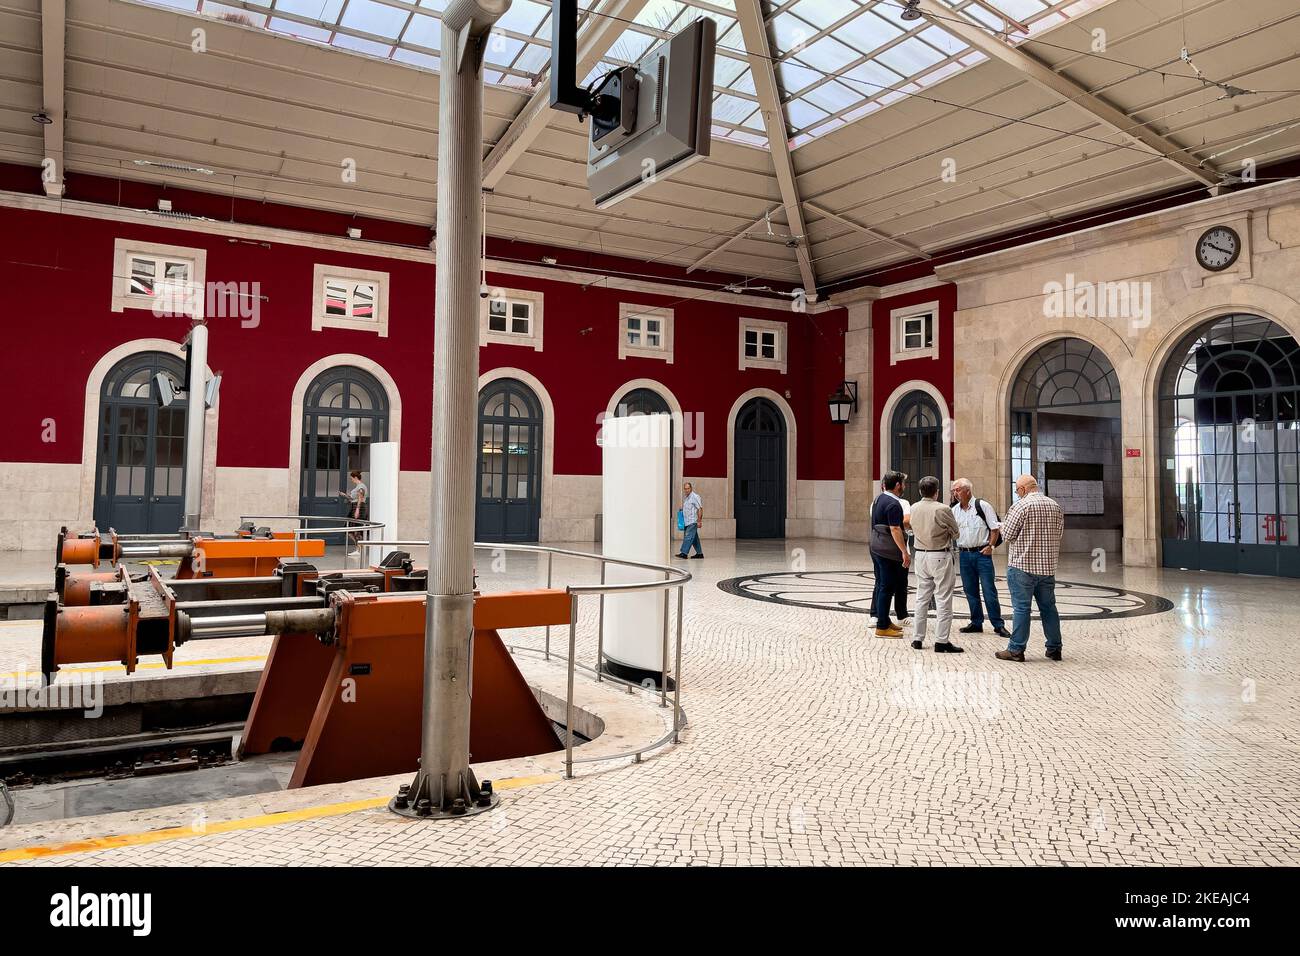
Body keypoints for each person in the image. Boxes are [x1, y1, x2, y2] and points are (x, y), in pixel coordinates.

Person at [996, 474, 1065, 663]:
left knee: (1021, 609)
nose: (1017, 494)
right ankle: (1054, 648)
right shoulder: (1055, 506)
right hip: (1047, 568)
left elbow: (1008, 535)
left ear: (1023, 489)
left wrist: (1002, 527)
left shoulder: (1020, 506)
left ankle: (1016, 650)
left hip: (1022, 567)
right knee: (1049, 608)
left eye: (1018, 490)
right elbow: (1059, 533)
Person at [950, 478, 1011, 638]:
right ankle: (976, 622)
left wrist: (990, 547)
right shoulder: (955, 510)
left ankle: (998, 625)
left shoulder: (982, 506)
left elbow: (995, 528)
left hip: (981, 554)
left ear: (967, 491)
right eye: (953, 490)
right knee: (970, 590)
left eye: (957, 490)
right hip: (964, 554)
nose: (954, 493)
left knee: (989, 590)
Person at [908, 475, 962, 652]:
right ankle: (941, 641)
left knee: (922, 598)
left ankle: (917, 639)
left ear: (920, 491)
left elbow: (910, 527)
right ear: (936, 492)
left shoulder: (914, 507)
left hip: (921, 556)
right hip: (939, 556)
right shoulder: (943, 509)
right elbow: (956, 533)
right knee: (943, 598)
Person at [869, 471, 910, 638]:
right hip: (888, 551)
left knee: (882, 584)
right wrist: (904, 551)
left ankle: (884, 619)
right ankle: (882, 626)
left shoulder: (878, 499)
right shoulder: (894, 504)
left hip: (876, 547)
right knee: (887, 587)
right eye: (904, 483)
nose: (905, 486)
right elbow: (895, 529)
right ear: (898, 485)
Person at [339, 469, 368, 557]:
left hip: (358, 507)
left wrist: (357, 509)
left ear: (355, 477)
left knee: (356, 529)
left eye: (352, 478)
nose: (351, 480)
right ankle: (359, 547)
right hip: (354, 507)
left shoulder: (361, 486)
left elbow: (360, 498)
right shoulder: (358, 487)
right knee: (350, 529)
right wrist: (345, 495)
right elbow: (353, 499)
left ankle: (359, 549)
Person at [676, 482, 704, 559]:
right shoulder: (686, 498)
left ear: (691, 488)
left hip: (693, 521)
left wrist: (699, 521)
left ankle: (684, 553)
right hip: (687, 521)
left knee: (688, 537)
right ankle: (699, 553)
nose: (686, 490)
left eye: (688, 488)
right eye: (685, 488)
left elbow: (700, 509)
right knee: (694, 539)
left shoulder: (695, 497)